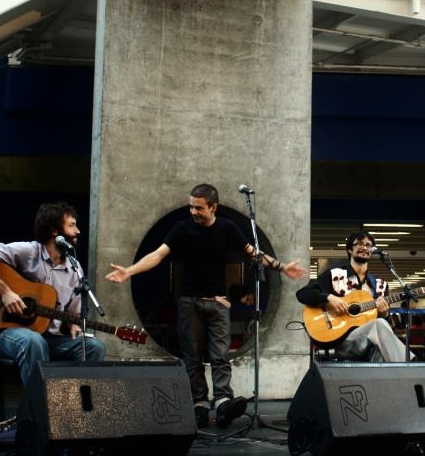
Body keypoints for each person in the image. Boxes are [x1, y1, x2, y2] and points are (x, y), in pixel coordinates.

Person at [105, 183, 307, 428]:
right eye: (191, 207)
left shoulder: (228, 228)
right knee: (192, 357)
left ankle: (223, 402)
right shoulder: (182, 229)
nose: (193, 212)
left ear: (213, 207)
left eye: (199, 208)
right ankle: (198, 404)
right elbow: (157, 255)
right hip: (189, 303)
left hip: (218, 302)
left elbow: (253, 253)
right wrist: (129, 271)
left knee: (220, 355)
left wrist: (282, 267)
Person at [0, 201, 107, 389]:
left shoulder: (74, 268)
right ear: (55, 231)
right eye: (72, 225)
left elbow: (73, 312)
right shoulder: (28, 252)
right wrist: (5, 292)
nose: (78, 231)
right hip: (7, 333)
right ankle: (41, 410)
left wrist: (73, 323)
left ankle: (75, 409)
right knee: (33, 341)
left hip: (51, 338)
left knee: (94, 347)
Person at [296, 231, 411, 362]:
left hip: (370, 342)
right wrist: (328, 298)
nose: (365, 247)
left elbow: (386, 327)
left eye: (369, 245)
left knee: (381, 339)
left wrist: (385, 314)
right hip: (340, 341)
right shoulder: (334, 275)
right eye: (360, 244)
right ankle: (410, 365)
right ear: (350, 249)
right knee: (379, 325)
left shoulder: (380, 285)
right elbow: (302, 294)